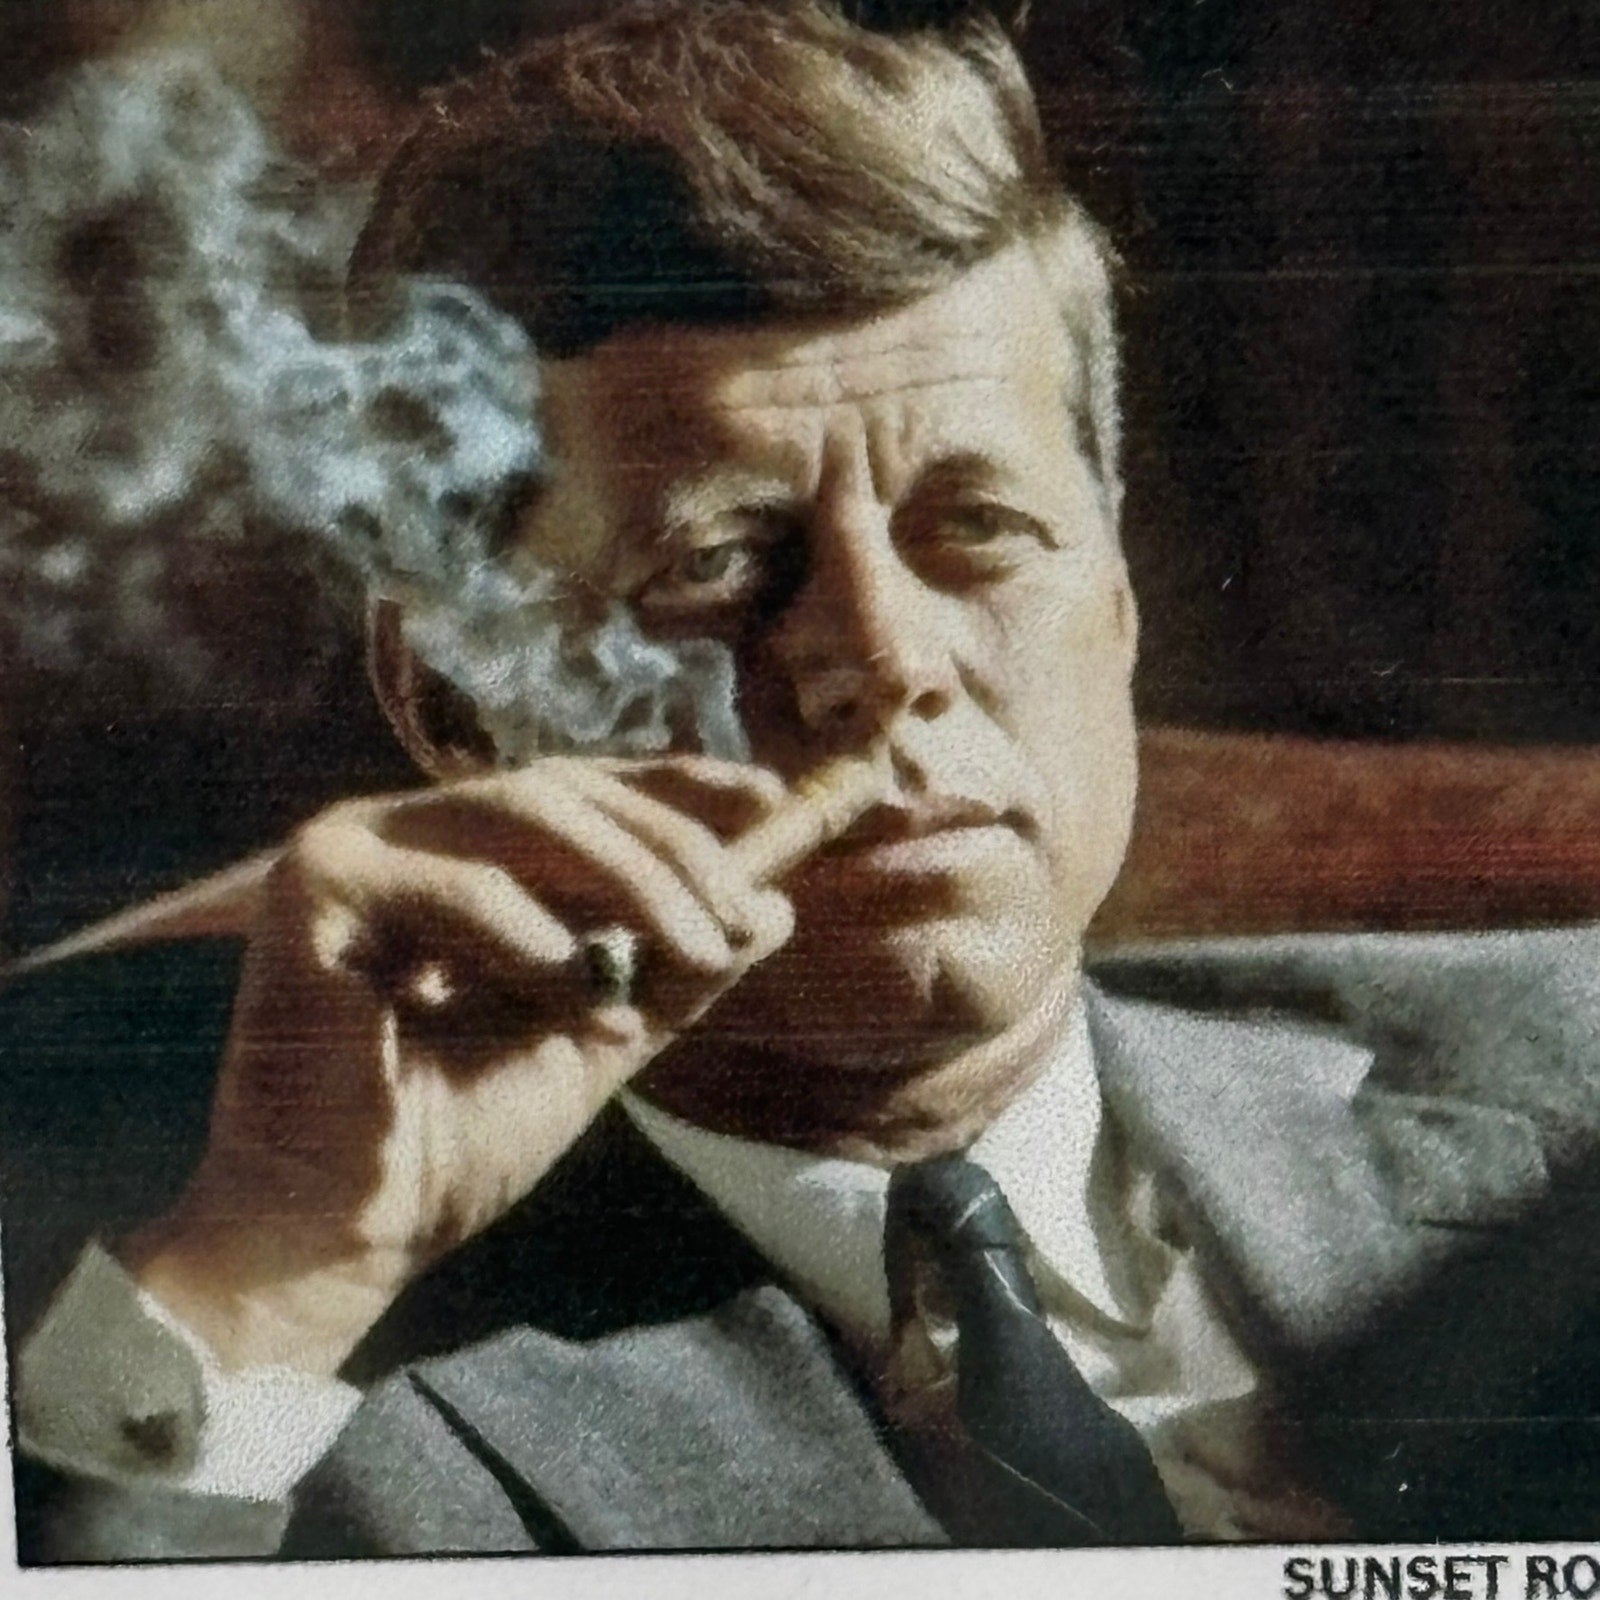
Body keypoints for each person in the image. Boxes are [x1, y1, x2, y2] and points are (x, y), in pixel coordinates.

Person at [10, 0, 1600, 1562]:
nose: (884, 659)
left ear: (1117, 600)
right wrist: (281, 1279)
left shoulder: (1569, 1104)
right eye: (719, 560)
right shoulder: (270, 1366)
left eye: (979, 528)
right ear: (453, 699)